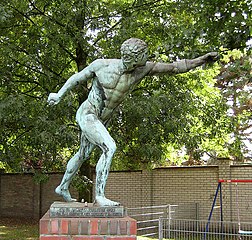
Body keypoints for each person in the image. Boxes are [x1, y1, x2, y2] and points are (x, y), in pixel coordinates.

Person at [48, 38, 218, 206]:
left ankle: (62, 187)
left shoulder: (143, 69)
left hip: (103, 119)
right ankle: (99, 196)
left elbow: (175, 67)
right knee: (109, 147)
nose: (148, 56)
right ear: (136, 57)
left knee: (83, 154)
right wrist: (59, 94)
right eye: (145, 54)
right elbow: (77, 78)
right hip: (88, 113)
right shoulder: (101, 65)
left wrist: (202, 59)